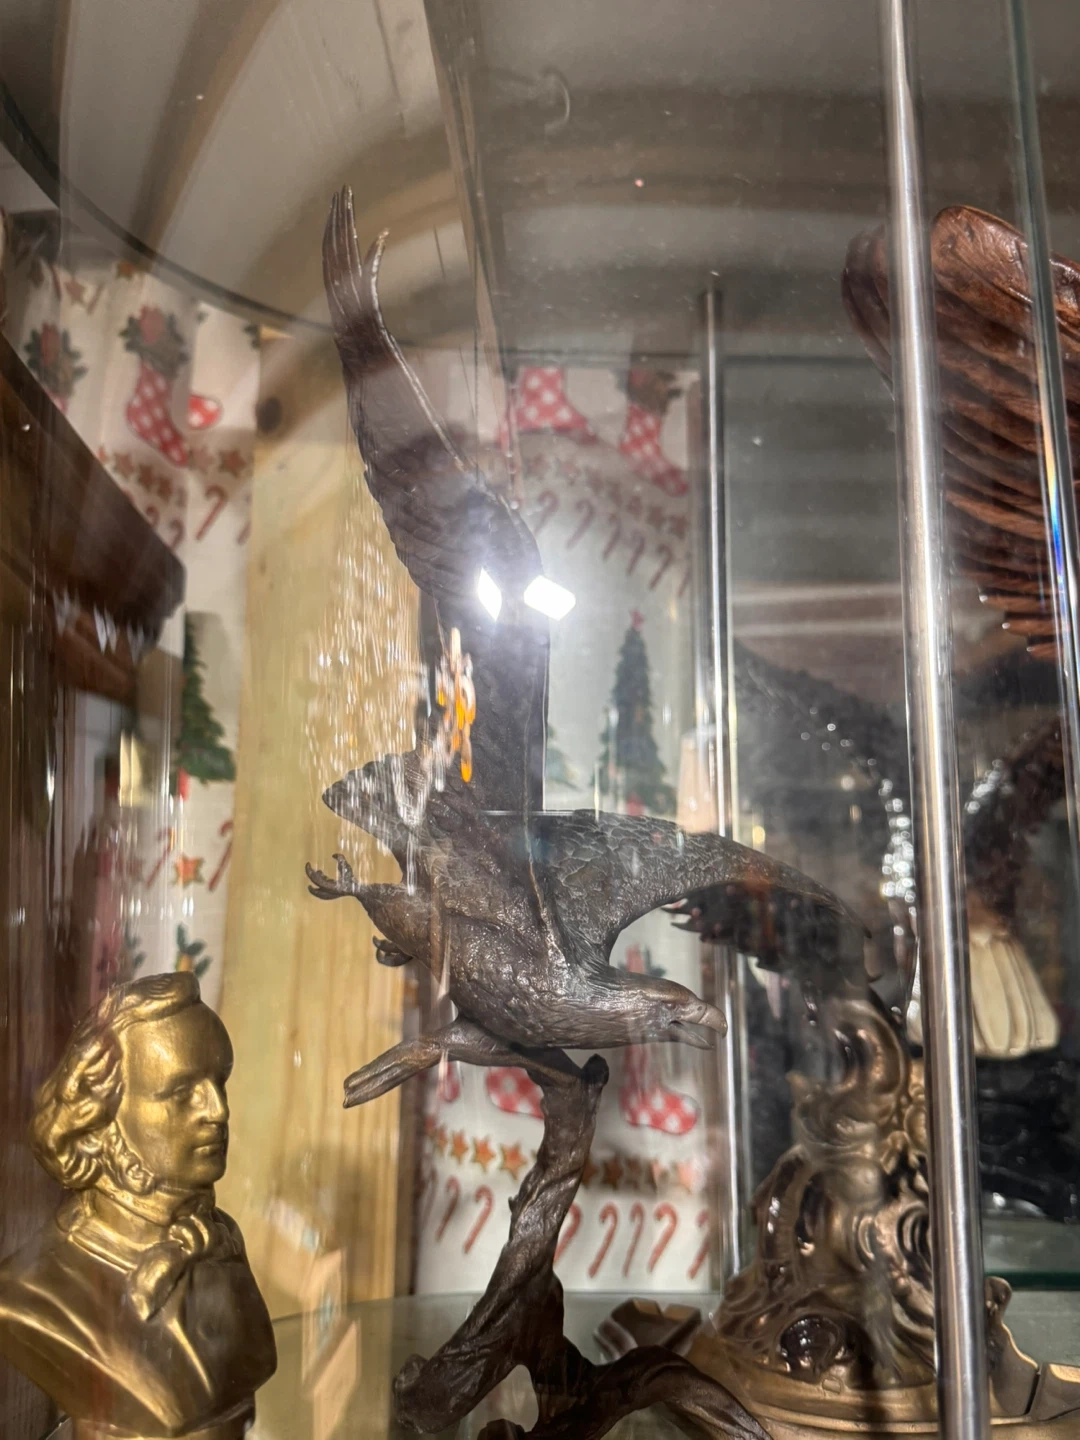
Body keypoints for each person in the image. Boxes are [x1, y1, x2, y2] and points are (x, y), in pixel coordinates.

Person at [0, 972, 275, 1439]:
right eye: (182, 1092)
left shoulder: (220, 1241)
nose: (218, 1110)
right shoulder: (30, 1295)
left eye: (219, 1081)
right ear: (103, 1117)